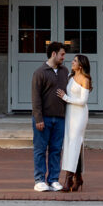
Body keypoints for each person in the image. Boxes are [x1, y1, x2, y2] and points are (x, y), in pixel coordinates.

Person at [31, 41, 69, 192]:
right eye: (62, 54)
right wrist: (38, 118)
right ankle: (39, 180)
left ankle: (53, 180)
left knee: (56, 150)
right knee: (40, 150)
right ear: (54, 54)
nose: (64, 57)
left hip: (60, 118)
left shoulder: (65, 71)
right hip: (44, 118)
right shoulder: (39, 72)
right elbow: (35, 98)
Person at [56, 53, 92, 193]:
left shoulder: (85, 79)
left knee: (74, 143)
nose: (72, 62)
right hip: (69, 113)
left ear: (80, 65)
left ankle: (68, 179)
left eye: (75, 61)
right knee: (70, 144)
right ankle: (78, 178)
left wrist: (65, 98)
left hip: (80, 114)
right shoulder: (70, 77)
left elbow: (83, 101)